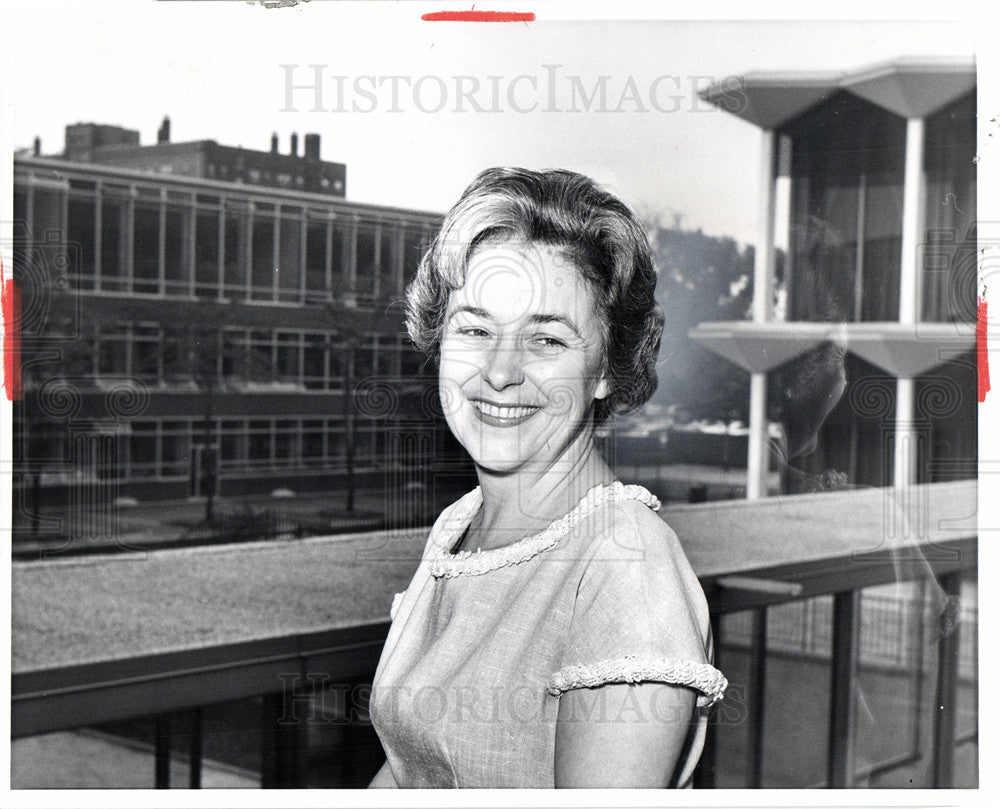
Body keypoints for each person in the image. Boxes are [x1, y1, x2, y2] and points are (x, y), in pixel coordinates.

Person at [368, 167, 727, 788]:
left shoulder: (625, 567)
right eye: (475, 329)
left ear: (607, 368)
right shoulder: (460, 527)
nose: (501, 371)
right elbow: (414, 766)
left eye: (546, 340)